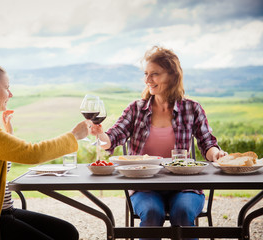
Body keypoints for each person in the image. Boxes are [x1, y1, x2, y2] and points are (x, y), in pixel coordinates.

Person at [90, 46, 227, 240]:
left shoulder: (192, 108)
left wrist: (217, 154)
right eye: (146, 74)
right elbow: (113, 138)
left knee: (183, 212)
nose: (147, 80)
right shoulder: (136, 109)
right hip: (144, 185)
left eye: (154, 74)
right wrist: (100, 134)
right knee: (153, 213)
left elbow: (207, 143)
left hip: (184, 185)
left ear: (172, 76)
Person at [0, 62, 89, 240]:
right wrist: (73, 136)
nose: (10, 94)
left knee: (67, 232)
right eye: (7, 88)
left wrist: (8, 134)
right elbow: (32, 153)